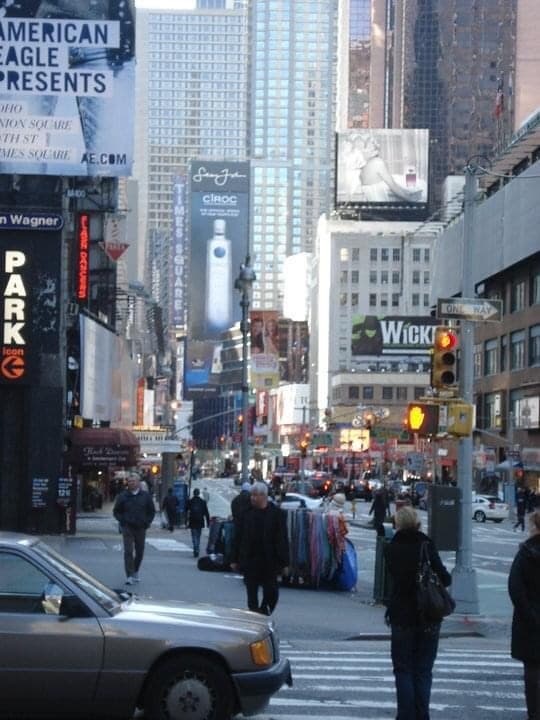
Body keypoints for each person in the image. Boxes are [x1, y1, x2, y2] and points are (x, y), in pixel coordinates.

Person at [384, 506, 452, 720]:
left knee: (402, 669)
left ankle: (405, 715)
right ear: (417, 521)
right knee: (423, 670)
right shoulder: (426, 544)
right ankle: (422, 715)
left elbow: (391, 583)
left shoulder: (391, 548)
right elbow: (445, 578)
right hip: (428, 615)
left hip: (401, 615)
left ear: (398, 523)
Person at [231, 481, 289, 615]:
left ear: (264, 496)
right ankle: (254, 613)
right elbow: (237, 537)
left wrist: (285, 562)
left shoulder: (277, 514)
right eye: (252, 495)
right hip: (250, 559)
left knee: (271, 591)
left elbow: (282, 539)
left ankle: (264, 611)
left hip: (270, 560)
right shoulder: (245, 514)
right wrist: (233, 559)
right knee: (251, 591)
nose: (252, 498)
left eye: (255, 495)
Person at [508, 510, 540, 720]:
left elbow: (515, 587)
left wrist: (529, 614)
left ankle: (535, 713)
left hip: (531, 622)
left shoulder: (527, 552)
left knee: (532, 670)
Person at [113, 473, 156, 585]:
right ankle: (129, 575)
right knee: (128, 551)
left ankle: (135, 570)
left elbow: (151, 511)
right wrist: (122, 520)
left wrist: (147, 522)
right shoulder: (123, 496)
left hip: (141, 527)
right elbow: (116, 511)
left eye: (133, 481)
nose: (131, 483)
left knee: (140, 552)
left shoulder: (145, 496)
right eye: (129, 481)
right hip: (127, 527)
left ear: (138, 482)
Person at [359, 135, 423, 203]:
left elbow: (394, 185)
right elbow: (394, 187)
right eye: (365, 147)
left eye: (367, 147)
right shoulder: (377, 162)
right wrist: (412, 200)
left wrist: (408, 193)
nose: (364, 150)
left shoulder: (365, 166)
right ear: (376, 151)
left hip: (375, 206)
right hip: (382, 206)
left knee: (414, 186)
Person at [187, 488, 210, 558]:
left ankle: (195, 548)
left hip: (192, 520)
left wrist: (186, 521)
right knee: (198, 535)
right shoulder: (203, 502)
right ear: (199, 493)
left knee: (194, 535)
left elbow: (186, 511)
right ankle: (197, 548)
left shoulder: (190, 501)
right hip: (200, 520)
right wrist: (208, 523)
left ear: (193, 493)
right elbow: (206, 513)